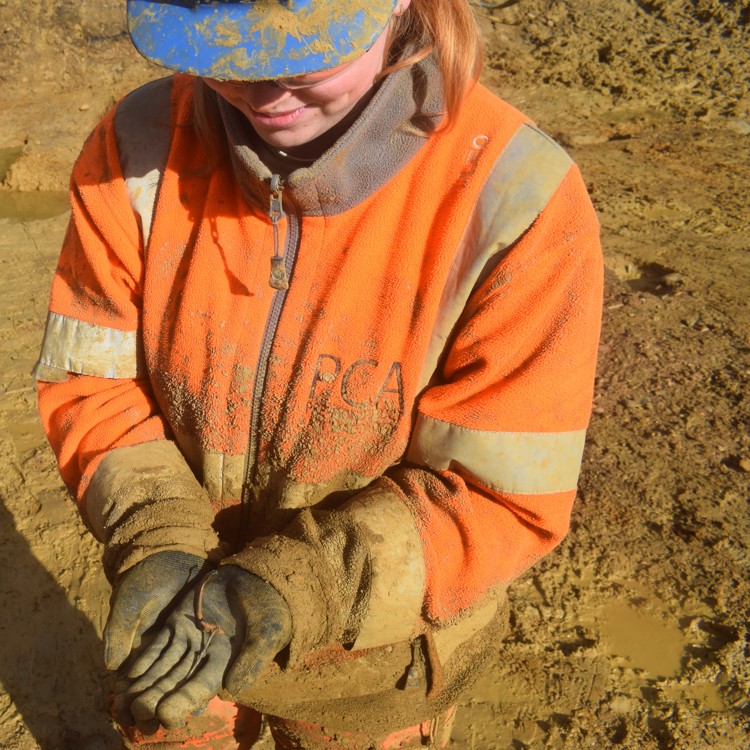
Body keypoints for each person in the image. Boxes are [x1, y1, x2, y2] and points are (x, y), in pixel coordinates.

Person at [34, 0, 603, 747]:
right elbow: (94, 383)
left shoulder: (517, 200)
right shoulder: (138, 144)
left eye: (302, 57)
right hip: (178, 615)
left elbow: (498, 500)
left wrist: (301, 587)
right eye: (228, 56)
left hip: (373, 666)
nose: (262, 94)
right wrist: (157, 535)